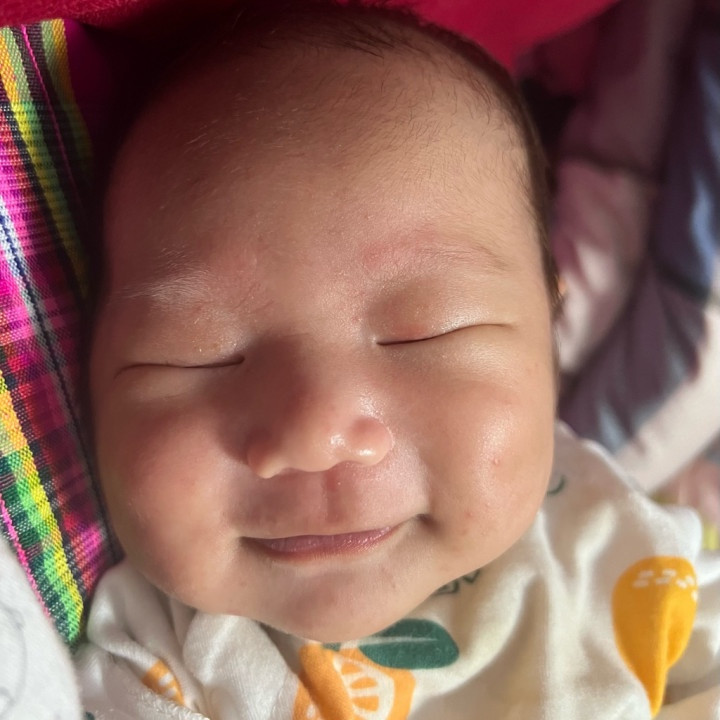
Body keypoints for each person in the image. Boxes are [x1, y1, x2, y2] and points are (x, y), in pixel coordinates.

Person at [70, 1, 720, 717]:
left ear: (550, 328)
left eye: (427, 333)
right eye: (199, 354)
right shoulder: (146, 657)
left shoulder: (617, 540)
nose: (315, 435)